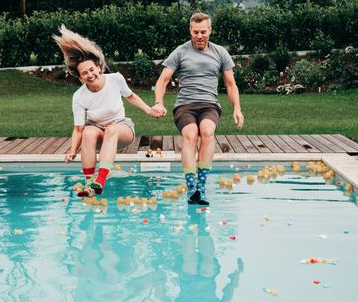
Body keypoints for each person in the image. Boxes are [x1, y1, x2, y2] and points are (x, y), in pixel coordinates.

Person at [151, 12, 244, 205]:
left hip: (209, 104)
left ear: (209, 31)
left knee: (207, 132)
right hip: (185, 105)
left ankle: (201, 187)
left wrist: (237, 108)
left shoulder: (220, 52)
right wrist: (159, 102)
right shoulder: (180, 51)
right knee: (191, 135)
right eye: (195, 32)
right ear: (190, 31)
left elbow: (231, 84)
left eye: (203, 32)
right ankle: (191, 186)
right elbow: (163, 79)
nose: (199, 36)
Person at [54, 26, 157, 197]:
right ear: (80, 78)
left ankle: (100, 181)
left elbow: (130, 96)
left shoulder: (116, 79)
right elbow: (78, 128)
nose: (90, 74)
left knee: (111, 129)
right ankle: (89, 186)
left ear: (98, 67)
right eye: (84, 73)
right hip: (97, 131)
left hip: (121, 129)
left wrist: (148, 109)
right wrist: (73, 150)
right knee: (88, 132)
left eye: (92, 69)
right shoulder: (79, 96)